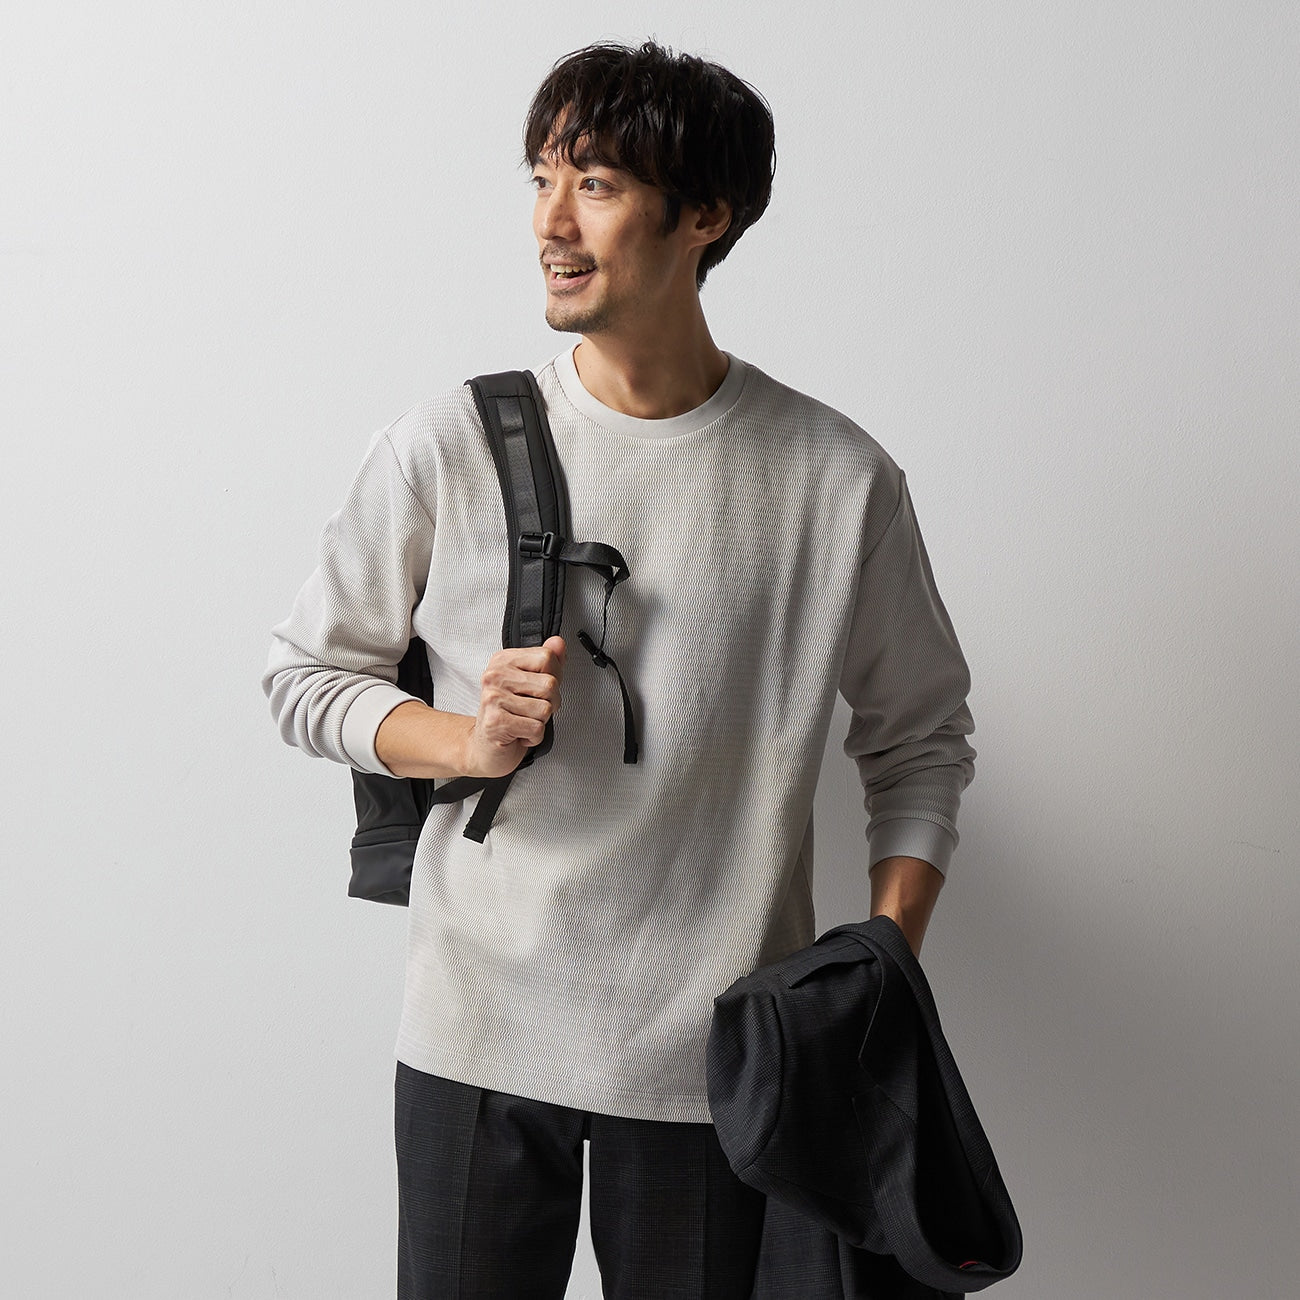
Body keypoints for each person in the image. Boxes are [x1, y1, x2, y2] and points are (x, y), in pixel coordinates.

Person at [264, 40, 975, 1300]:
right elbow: (308, 675)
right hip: (475, 1035)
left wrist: (877, 964)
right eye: (541, 178)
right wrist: (463, 739)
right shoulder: (447, 444)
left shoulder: (836, 478)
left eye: (592, 184)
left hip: (715, 1064)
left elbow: (918, 739)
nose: (550, 221)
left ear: (706, 215)